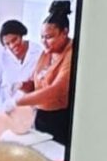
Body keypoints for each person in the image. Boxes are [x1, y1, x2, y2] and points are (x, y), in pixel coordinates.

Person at [13, 9, 74, 147]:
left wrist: (18, 102)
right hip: (41, 116)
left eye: (49, 37)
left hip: (60, 119)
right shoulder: (47, 53)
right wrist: (21, 85)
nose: (44, 42)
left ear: (65, 32)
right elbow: (37, 84)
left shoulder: (72, 55)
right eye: (42, 37)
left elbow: (57, 90)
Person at [0, 19, 34, 109]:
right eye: (7, 44)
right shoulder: (1, 56)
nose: (12, 46)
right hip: (7, 109)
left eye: (14, 40)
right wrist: (1, 107)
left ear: (21, 35)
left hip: (30, 109)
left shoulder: (37, 52)